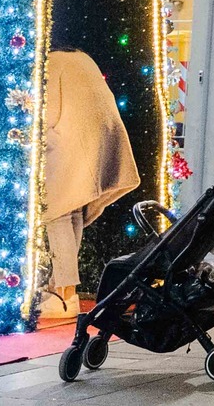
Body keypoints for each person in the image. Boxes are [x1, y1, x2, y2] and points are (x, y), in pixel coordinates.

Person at [39, 40, 140, 322]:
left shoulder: (52, 62)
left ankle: (63, 295)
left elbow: (48, 115)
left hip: (71, 142)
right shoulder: (82, 57)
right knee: (72, 211)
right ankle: (63, 289)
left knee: (55, 211)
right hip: (99, 143)